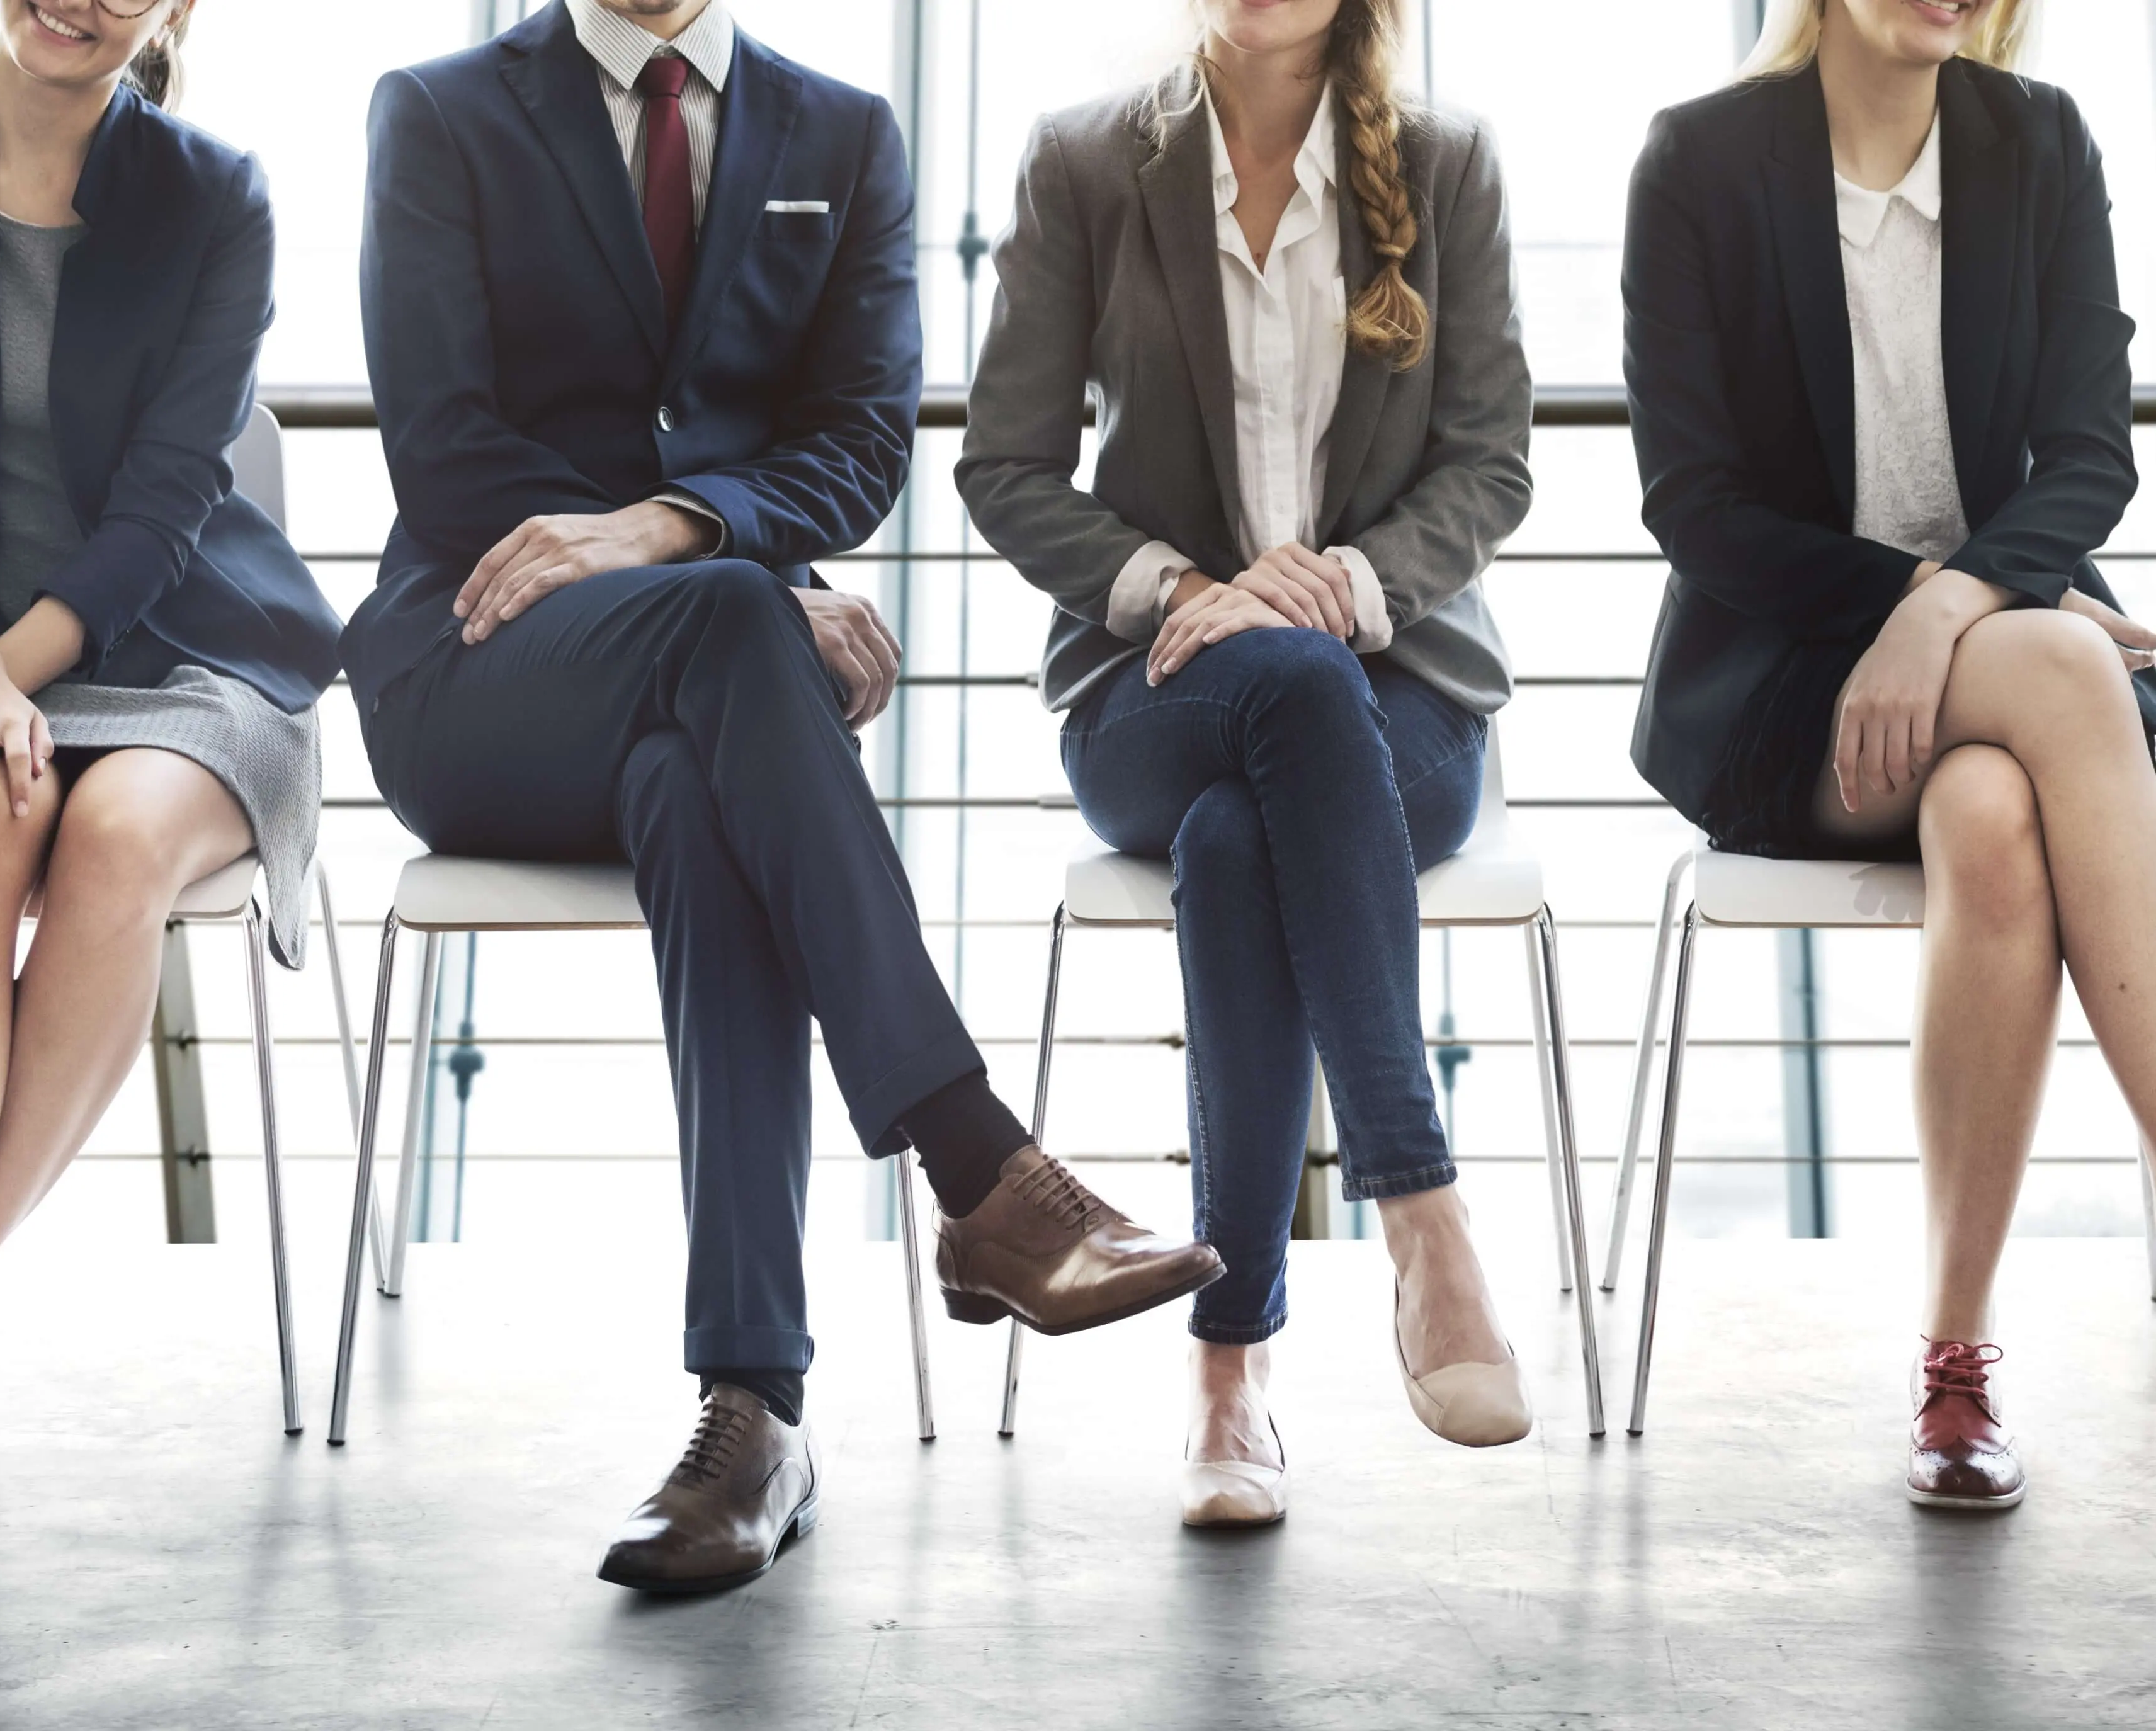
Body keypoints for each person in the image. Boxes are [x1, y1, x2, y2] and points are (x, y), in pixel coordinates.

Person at [349, 0, 1223, 1594]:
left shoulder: (843, 135)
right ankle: (980, 1172)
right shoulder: (441, 109)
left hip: (707, 682)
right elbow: (446, 449)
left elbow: (860, 441)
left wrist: (685, 536)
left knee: (704, 788)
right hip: (473, 675)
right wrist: (715, 573)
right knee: (748, 634)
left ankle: (752, 1414)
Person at [960, 0, 1536, 1529]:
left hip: (1396, 702)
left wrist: (1343, 584)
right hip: (1155, 695)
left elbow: (1491, 459)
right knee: (1264, 695)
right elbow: (1002, 467)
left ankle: (1230, 1368)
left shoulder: (1445, 164)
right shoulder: (1088, 164)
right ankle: (1420, 1210)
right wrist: (1174, 587)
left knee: (1236, 841)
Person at [0, 0, 341, 1552]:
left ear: (174, 12)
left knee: (104, 834)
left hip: (188, 654)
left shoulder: (217, 197)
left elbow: (163, 516)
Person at [1626, 0, 2150, 1510]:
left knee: (1991, 808)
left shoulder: (2036, 143)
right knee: (2055, 665)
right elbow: (1695, 505)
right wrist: (1913, 611)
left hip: (2011, 684)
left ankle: (1954, 1366)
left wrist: (1961, 609)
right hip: (1795, 689)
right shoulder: (1700, 162)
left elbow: (2090, 452)